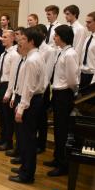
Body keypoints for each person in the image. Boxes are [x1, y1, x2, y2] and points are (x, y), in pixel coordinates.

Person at [8, 27, 46, 184]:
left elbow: (29, 88)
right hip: (29, 99)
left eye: (23, 39)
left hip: (30, 101)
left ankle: (27, 174)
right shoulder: (33, 56)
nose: (19, 41)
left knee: (27, 139)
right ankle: (25, 167)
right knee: (23, 138)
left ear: (31, 42)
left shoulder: (32, 60)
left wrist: (21, 108)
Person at [45, 25, 79, 177]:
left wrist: (69, 92)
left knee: (62, 131)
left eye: (56, 35)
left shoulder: (70, 54)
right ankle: (57, 158)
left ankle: (63, 164)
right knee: (58, 129)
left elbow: (72, 79)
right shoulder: (61, 52)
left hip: (65, 94)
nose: (54, 38)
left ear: (63, 36)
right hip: (58, 94)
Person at [0, 30, 20, 151]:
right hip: (1, 85)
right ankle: (2, 138)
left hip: (9, 86)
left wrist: (9, 93)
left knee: (8, 117)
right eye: (2, 37)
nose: (2, 39)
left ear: (12, 39)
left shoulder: (14, 54)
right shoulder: (3, 54)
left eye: (5, 37)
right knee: (2, 115)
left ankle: (8, 142)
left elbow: (13, 76)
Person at [36, 24, 56, 154]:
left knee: (42, 118)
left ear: (43, 34)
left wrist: (42, 89)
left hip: (43, 87)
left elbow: (48, 72)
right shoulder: (35, 48)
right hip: (33, 86)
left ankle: (41, 144)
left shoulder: (49, 50)